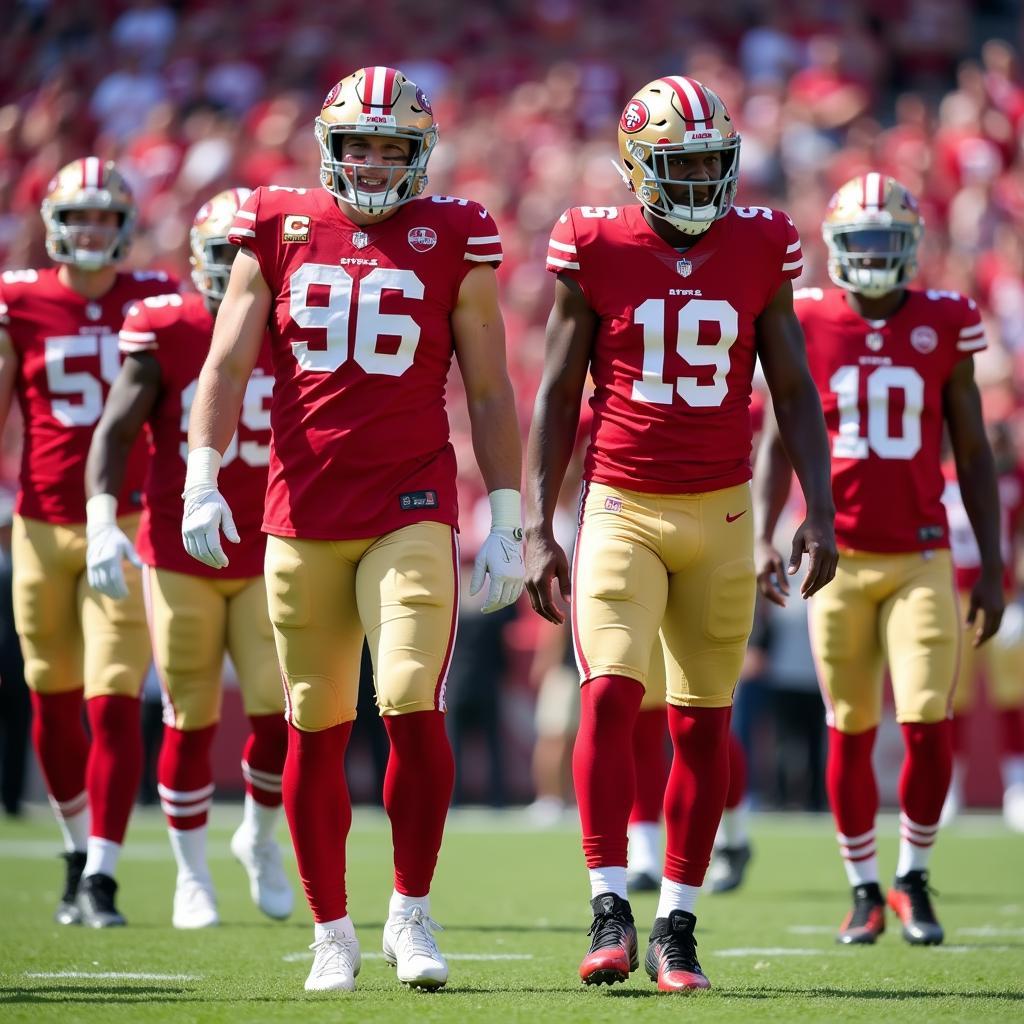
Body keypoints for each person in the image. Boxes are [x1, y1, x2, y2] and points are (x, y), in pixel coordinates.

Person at [181, 66, 524, 993]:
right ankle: (331, 929)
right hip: (301, 513)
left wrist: (509, 509)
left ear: (421, 154)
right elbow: (224, 362)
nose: (373, 164)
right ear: (330, 150)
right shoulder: (277, 222)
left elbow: (488, 387)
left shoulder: (457, 232)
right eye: (358, 146)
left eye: (391, 147)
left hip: (411, 504)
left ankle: (410, 910)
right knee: (316, 723)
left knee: (411, 698)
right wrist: (201, 477)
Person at [525, 75, 836, 993]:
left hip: (727, 510)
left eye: (711, 162)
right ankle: (609, 901)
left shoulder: (763, 242)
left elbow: (794, 389)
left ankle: (679, 926)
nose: (700, 181)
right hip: (622, 503)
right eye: (680, 164)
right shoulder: (593, 244)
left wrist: (817, 509)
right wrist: (537, 525)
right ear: (635, 166)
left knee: (705, 725)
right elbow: (553, 393)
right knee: (611, 698)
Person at [755, 173, 1004, 947]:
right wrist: (764, 531)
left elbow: (973, 448)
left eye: (884, 240)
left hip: (923, 554)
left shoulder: (945, 318)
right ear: (833, 248)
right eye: (857, 241)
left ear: (910, 247)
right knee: (849, 726)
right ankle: (863, 886)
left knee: (929, 723)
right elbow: (776, 436)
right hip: (839, 559)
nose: (871, 255)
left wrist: (996, 563)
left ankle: (913, 875)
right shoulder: (803, 317)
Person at [84, 188, 293, 929]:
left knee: (278, 718)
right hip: (180, 550)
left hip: (271, 547)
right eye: (221, 257)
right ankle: (191, 875)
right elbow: (113, 431)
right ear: (196, 264)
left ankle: (259, 839)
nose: (235, 270)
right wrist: (104, 518)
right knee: (190, 716)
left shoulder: (301, 322)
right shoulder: (168, 326)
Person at [0, 158, 174, 927]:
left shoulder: (155, 300)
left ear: (126, 224)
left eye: (106, 218)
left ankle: (101, 871)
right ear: (56, 224)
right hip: (40, 522)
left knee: (112, 700)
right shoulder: (22, 300)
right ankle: (76, 851)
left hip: (132, 521)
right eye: (81, 218)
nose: (93, 231)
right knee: (50, 694)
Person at [940, 420, 1024, 831]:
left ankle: (1017, 789)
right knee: (951, 696)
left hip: (1003, 595)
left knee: (1013, 694)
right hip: (952, 594)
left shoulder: (1016, 477)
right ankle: (949, 789)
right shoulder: (943, 477)